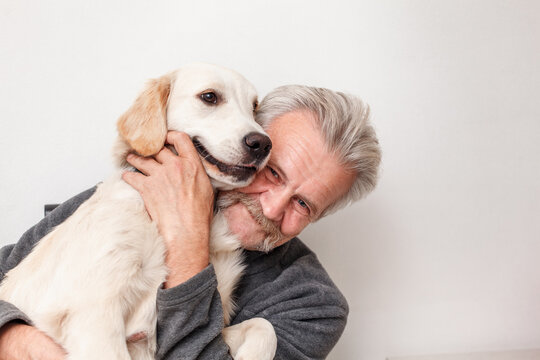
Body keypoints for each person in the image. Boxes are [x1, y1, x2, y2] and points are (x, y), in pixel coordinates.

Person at [0, 84, 381, 359]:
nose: (271, 209)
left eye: (303, 204)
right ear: (246, 143)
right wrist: (14, 338)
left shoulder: (312, 306)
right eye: (274, 173)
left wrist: (189, 243)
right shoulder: (141, 188)